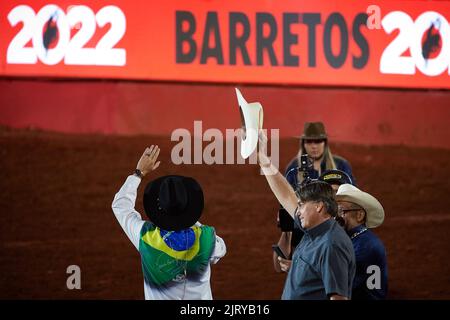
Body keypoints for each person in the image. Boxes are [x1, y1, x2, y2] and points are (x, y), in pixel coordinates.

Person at [112, 145, 226, 300]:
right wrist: (190, 219)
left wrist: (138, 173)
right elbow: (221, 250)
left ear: (159, 208)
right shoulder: (207, 238)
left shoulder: (146, 237)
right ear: (190, 206)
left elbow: (120, 206)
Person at [258, 132, 355, 300]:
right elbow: (287, 196)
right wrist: (264, 159)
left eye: (302, 205)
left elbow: (338, 298)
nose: (298, 209)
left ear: (318, 206)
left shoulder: (331, 244)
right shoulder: (314, 228)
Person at [273, 169, 353, 273]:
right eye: (330, 193)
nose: (334, 198)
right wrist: (287, 231)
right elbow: (278, 267)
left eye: (338, 192)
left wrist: (299, 269)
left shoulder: (352, 226)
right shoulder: (310, 222)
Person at [335, 184, 388, 300]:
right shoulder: (357, 239)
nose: (337, 217)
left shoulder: (365, 246)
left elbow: (339, 286)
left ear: (359, 215)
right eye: (336, 212)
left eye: (342, 211)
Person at [285, 122, 355, 189]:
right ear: (303, 145)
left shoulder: (341, 165)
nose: (314, 146)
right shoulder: (294, 167)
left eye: (318, 141)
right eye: (309, 142)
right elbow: (286, 196)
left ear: (325, 143)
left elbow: (352, 192)